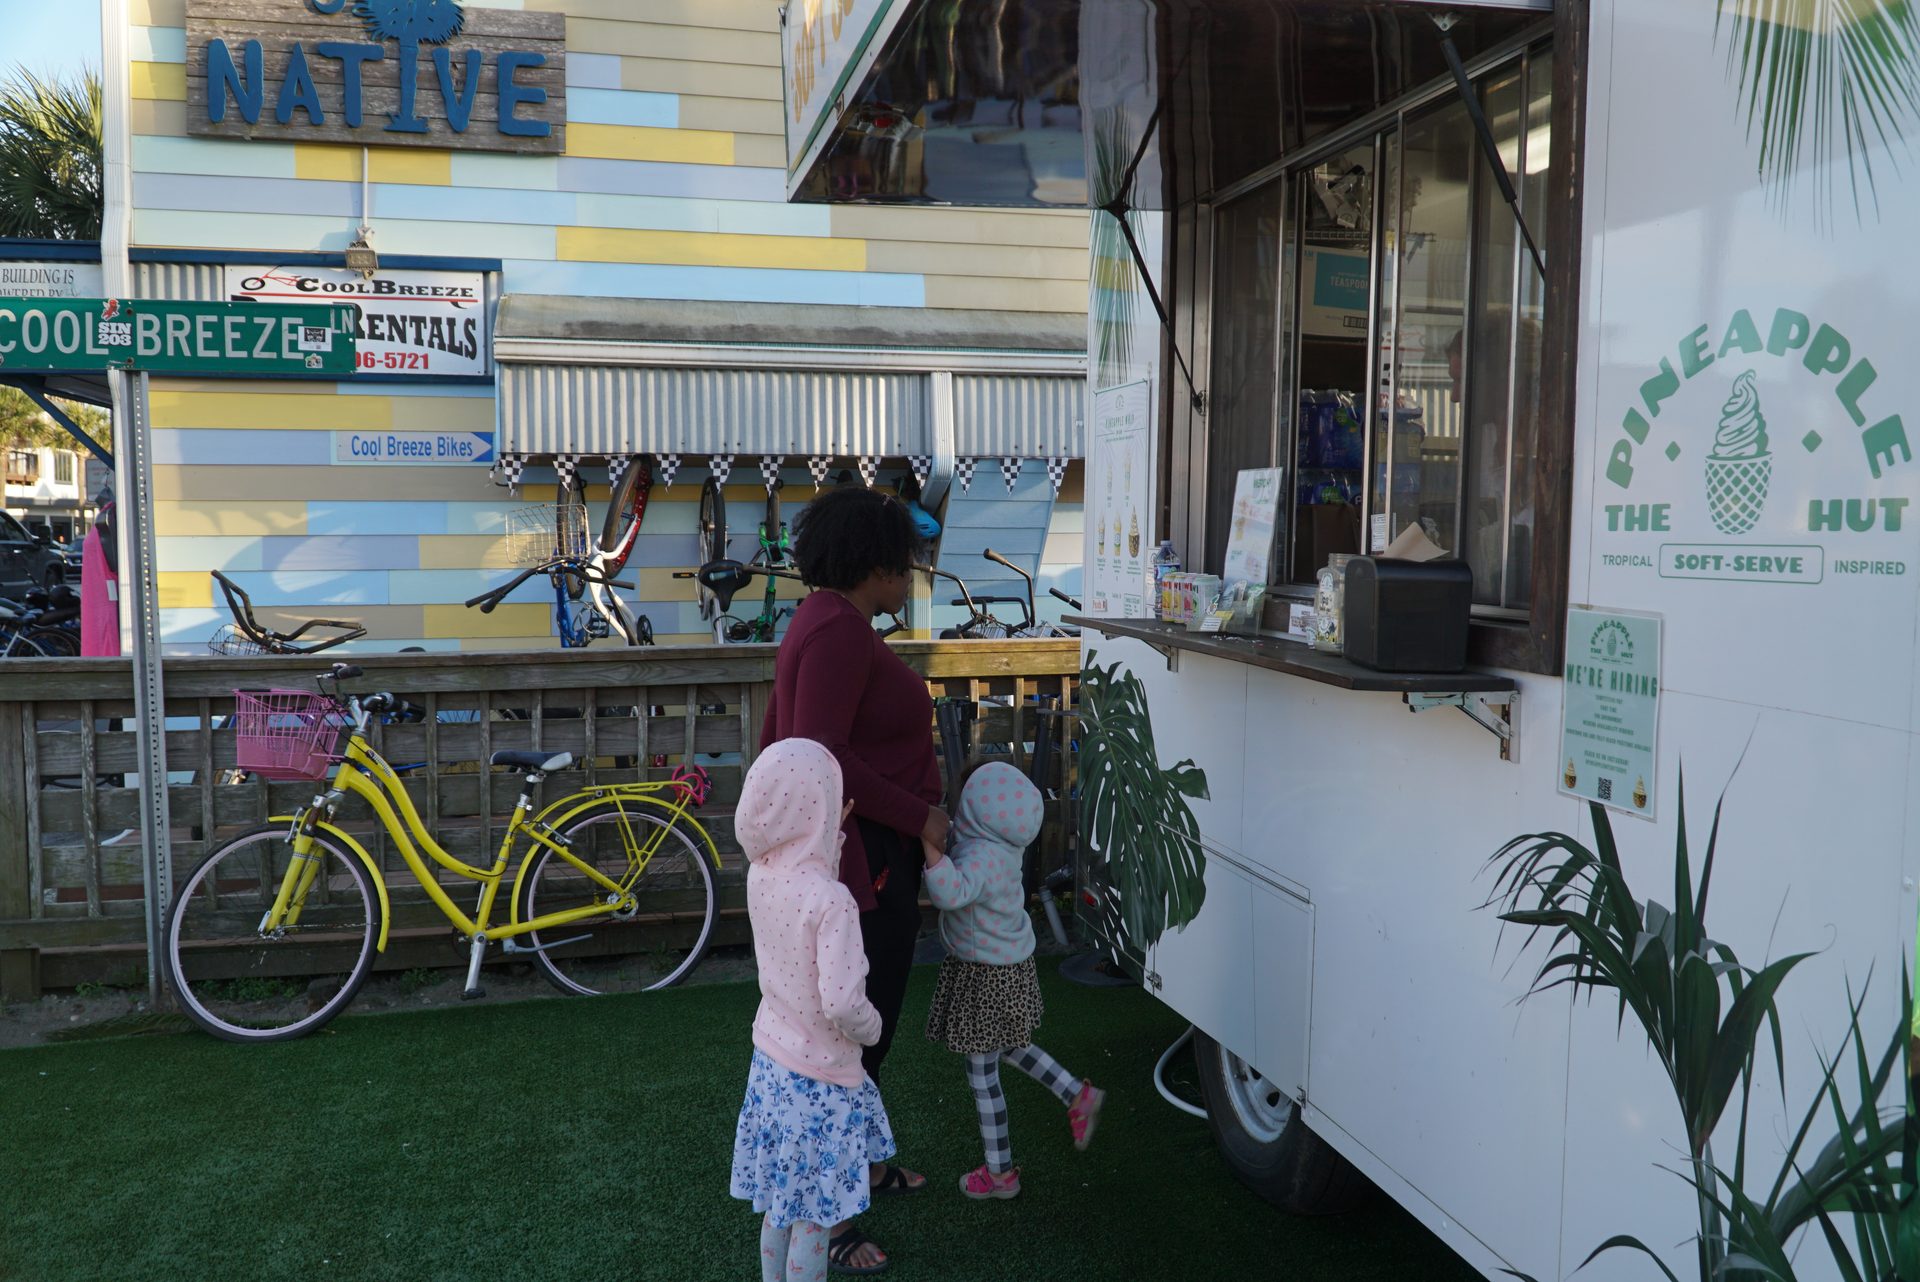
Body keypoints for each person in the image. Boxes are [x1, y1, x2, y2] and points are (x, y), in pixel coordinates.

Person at [760, 485, 947, 1274]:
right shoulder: (837, 632)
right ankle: (833, 1220)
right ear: (871, 564)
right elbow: (822, 760)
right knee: (848, 1043)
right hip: (861, 864)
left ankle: (862, 1170)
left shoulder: (832, 621)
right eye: (903, 568)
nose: (910, 581)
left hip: (870, 852)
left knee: (859, 1038)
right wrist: (921, 818)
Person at [729, 739, 897, 1282]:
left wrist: (830, 831)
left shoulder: (760, 877)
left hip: (771, 1068)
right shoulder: (832, 901)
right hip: (820, 1084)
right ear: (829, 811)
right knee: (814, 1223)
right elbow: (844, 1002)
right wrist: (872, 1028)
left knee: (781, 1208)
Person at [921, 761, 1104, 1199]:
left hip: (984, 975)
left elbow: (949, 892)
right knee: (1009, 1046)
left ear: (977, 808)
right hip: (1005, 969)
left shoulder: (980, 856)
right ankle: (1076, 1094)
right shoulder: (1001, 846)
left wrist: (929, 846)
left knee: (982, 1075)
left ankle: (1000, 1173)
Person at [79, 488, 119, 658]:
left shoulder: (107, 518)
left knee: (104, 634)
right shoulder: (105, 518)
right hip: (100, 592)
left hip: (103, 592)